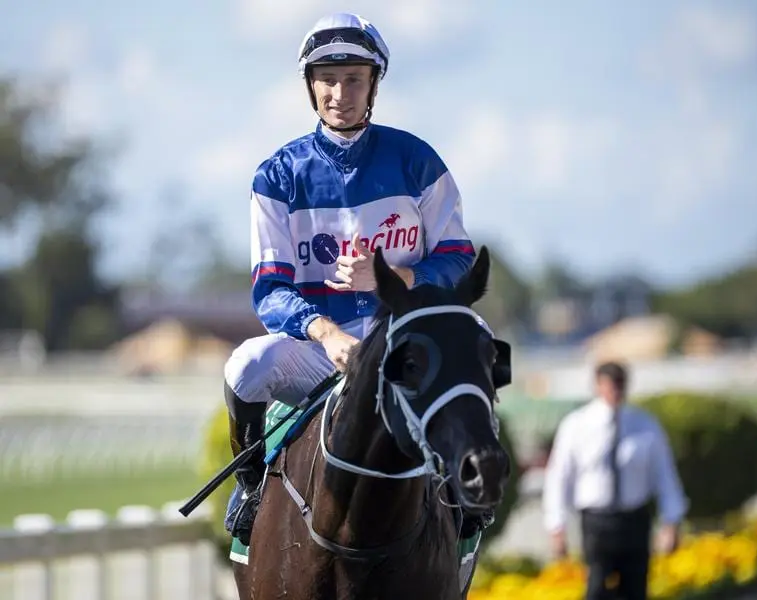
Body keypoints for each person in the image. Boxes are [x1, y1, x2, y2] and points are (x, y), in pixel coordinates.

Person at [221, 10, 488, 582]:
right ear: (310, 86)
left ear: (373, 85)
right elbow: (270, 289)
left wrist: (398, 278)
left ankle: (466, 505)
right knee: (245, 366)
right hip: (322, 351)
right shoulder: (277, 176)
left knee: (479, 352)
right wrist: (325, 332)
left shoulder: (417, 160)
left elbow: (459, 255)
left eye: (353, 79)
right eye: (328, 79)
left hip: (402, 348)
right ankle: (248, 487)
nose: (339, 92)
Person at [542, 361, 688, 600]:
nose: (616, 391)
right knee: (597, 588)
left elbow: (665, 476)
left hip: (635, 519)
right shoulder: (577, 425)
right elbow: (559, 477)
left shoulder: (645, 425)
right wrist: (556, 526)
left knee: (635, 589)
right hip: (597, 522)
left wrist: (671, 521)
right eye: (611, 385)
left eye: (620, 385)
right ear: (598, 386)